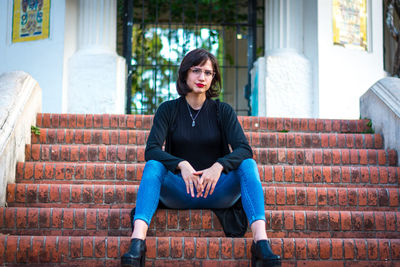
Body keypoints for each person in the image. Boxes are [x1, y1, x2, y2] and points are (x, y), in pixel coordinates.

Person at [121, 48, 281, 267]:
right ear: (185, 73)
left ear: (213, 77)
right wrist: (180, 164)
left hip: (217, 190)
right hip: (180, 190)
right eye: (196, 71)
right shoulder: (168, 109)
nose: (202, 77)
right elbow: (152, 150)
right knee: (153, 166)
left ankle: (261, 243)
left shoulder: (222, 111)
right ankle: (137, 243)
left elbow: (244, 149)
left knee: (248, 164)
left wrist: (219, 166)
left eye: (208, 72)